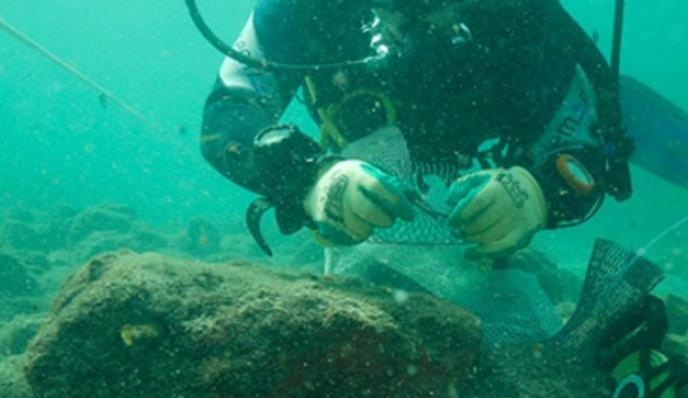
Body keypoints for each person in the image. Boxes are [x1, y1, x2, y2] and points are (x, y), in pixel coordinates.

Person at [199, 0, 631, 259]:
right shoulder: (301, 8)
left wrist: (538, 193)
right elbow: (229, 112)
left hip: (481, 125)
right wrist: (308, 176)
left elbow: (587, 152)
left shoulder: (519, 14)